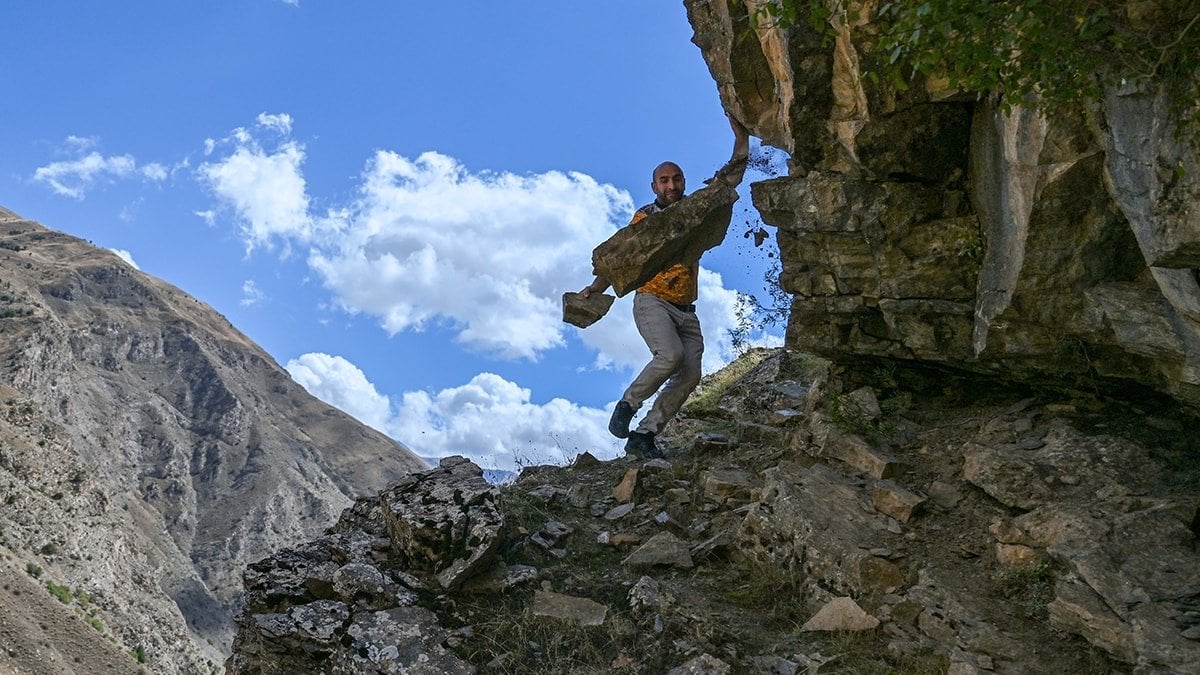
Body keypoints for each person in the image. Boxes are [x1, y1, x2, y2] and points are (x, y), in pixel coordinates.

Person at [580, 161, 704, 458]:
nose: (670, 186)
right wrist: (596, 289)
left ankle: (644, 435)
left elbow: (728, 184)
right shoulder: (645, 217)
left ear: (684, 181)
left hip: (687, 309)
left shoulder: (697, 210)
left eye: (676, 179)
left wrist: (741, 139)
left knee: (690, 374)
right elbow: (622, 258)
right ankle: (628, 404)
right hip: (652, 299)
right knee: (670, 355)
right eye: (664, 181)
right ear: (654, 187)